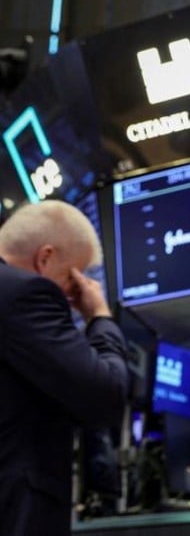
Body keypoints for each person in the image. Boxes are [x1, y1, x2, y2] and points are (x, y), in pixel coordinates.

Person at [0, 200, 129, 535]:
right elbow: (106, 397)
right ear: (45, 258)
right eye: (72, 280)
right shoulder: (23, 292)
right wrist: (99, 317)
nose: (74, 294)